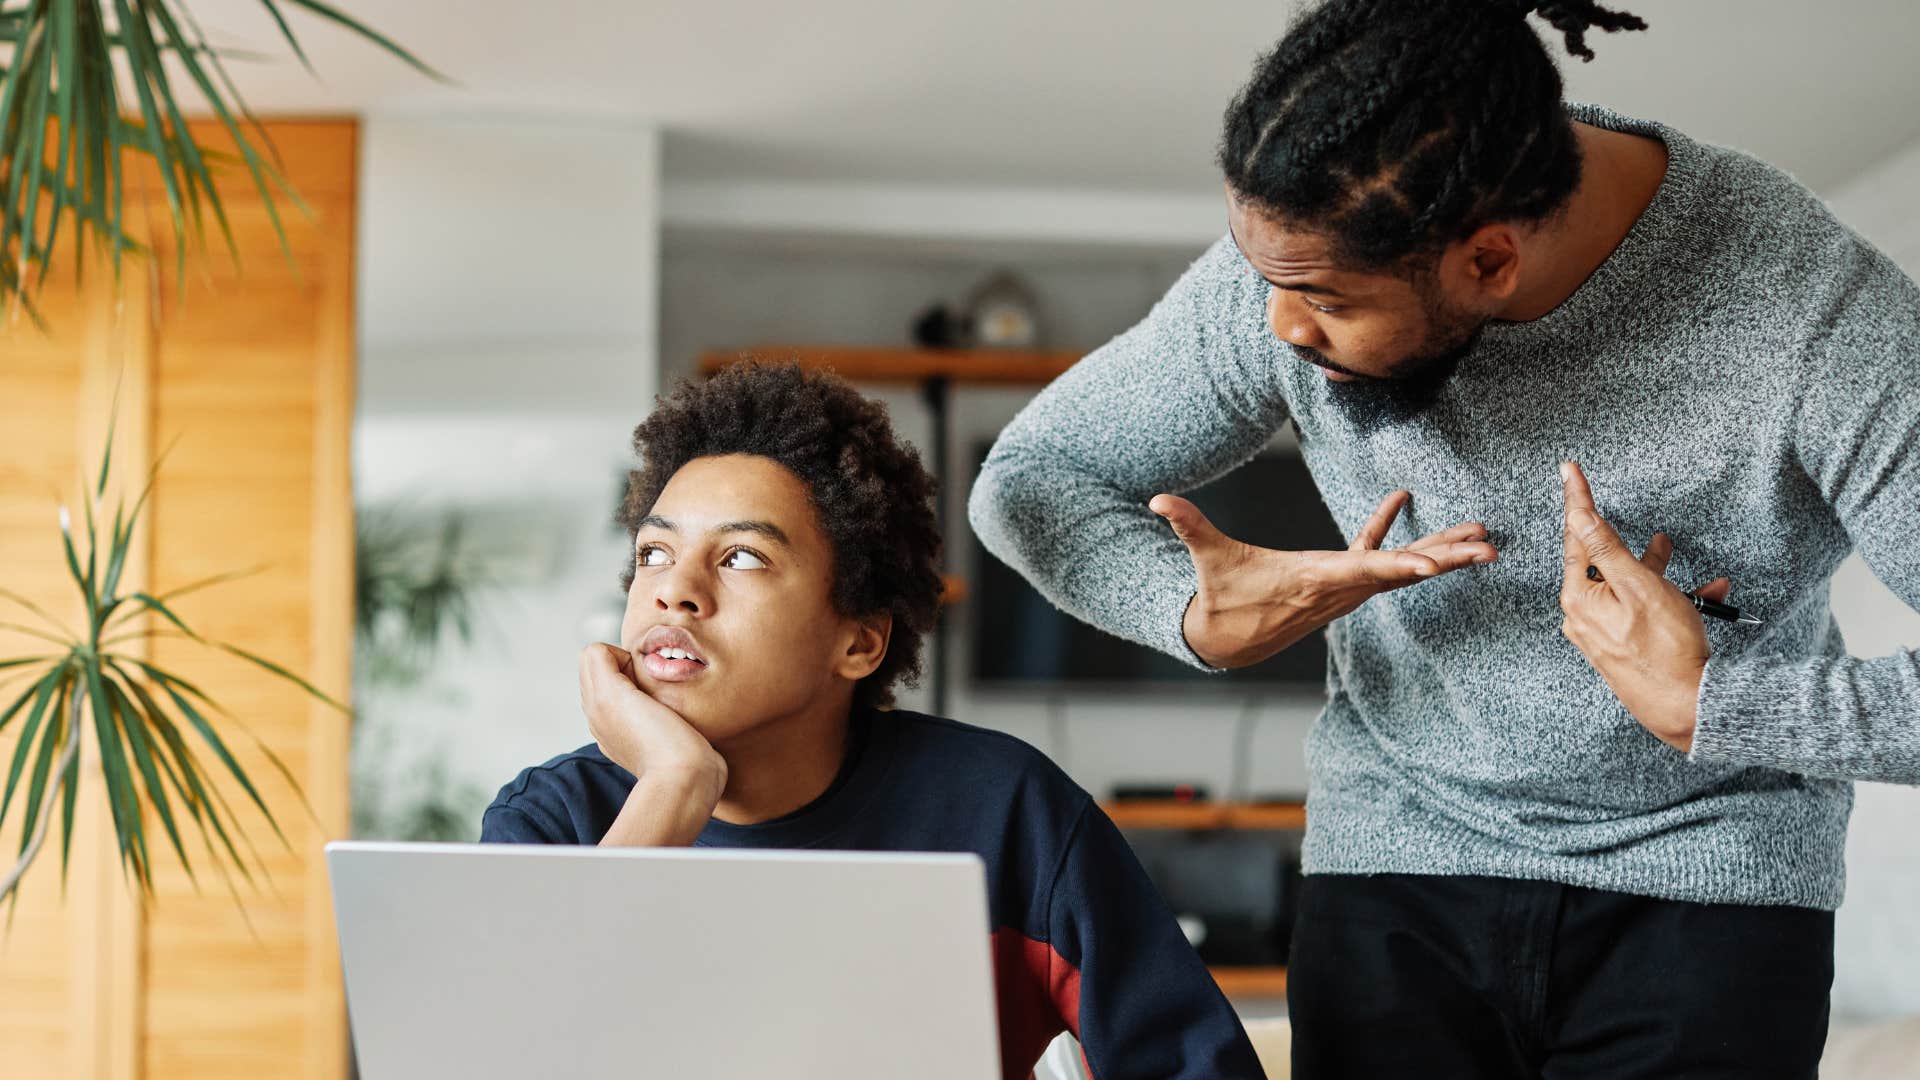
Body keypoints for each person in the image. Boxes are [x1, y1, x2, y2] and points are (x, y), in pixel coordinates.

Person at [968, 0, 1920, 1076]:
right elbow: (1032, 481)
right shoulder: (1297, 263)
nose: (1280, 326)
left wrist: (1722, 705)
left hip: (1715, 887)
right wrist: (1181, 610)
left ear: (1491, 261)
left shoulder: (1823, 322)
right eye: (1267, 279)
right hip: (1395, 870)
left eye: (1321, 299)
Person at [480, 361, 1265, 1080]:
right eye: (653, 553)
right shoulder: (554, 823)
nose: (673, 591)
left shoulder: (1003, 809)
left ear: (858, 641)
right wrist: (675, 786)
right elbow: (505, 1060)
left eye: (742, 558)